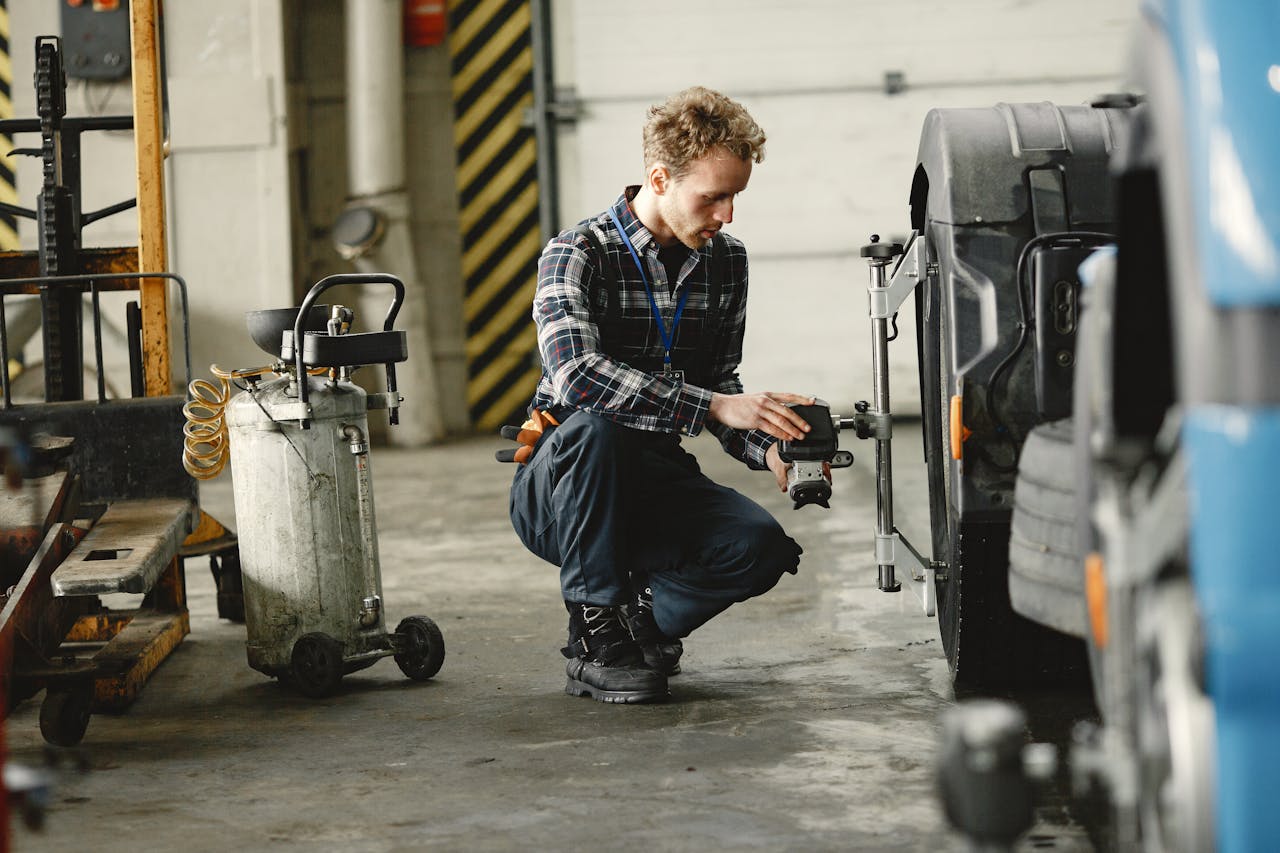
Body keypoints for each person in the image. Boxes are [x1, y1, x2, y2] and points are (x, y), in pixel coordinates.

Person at [508, 86, 821, 704]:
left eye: (735, 197)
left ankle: (632, 628)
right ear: (659, 178)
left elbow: (723, 385)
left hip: (655, 474)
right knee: (597, 428)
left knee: (757, 546)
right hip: (565, 483)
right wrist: (707, 405)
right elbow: (577, 378)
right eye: (714, 197)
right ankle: (597, 627)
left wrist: (770, 448)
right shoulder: (577, 253)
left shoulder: (726, 263)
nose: (727, 215)